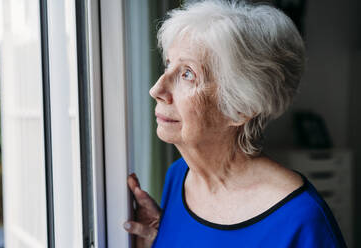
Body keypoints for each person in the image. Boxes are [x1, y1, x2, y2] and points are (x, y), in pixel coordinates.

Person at [123, 0, 347, 247]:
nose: (156, 89)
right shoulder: (178, 176)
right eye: (168, 64)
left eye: (188, 74)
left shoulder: (301, 220)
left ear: (241, 108)